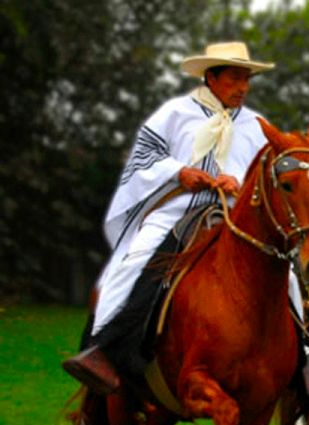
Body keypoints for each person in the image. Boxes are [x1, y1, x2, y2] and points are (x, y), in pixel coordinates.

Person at [62, 42, 276, 394]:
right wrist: (180, 172)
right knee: (134, 261)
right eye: (235, 78)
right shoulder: (175, 113)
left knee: (286, 271)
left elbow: (269, 178)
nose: (243, 87)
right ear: (211, 76)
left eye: (247, 79)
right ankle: (102, 349)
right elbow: (143, 157)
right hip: (180, 208)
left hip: (235, 216)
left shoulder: (257, 125)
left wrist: (238, 182)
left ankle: (305, 355)